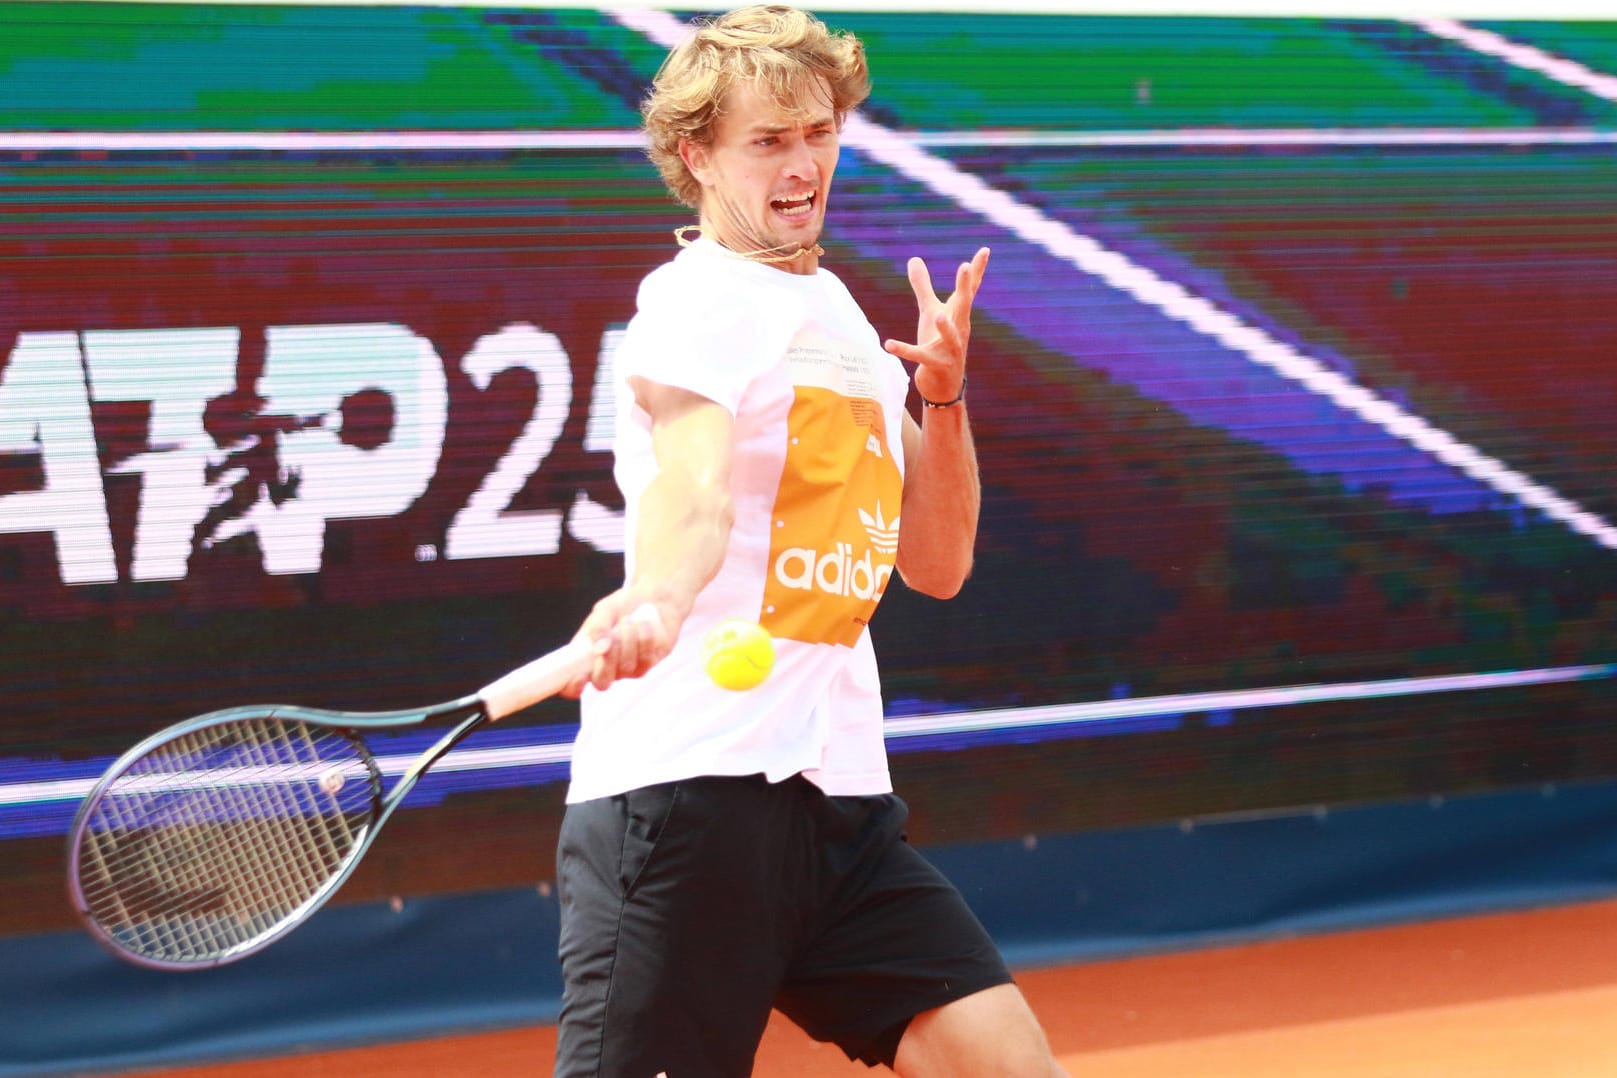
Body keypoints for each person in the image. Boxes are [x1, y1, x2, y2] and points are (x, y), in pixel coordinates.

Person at [554, 6, 1065, 1075]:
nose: (804, 165)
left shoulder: (836, 315)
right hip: (687, 800)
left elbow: (937, 562)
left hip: (835, 807)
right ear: (695, 155)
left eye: (820, 132)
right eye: (769, 140)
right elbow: (693, 492)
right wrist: (656, 595)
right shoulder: (695, 304)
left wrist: (944, 398)